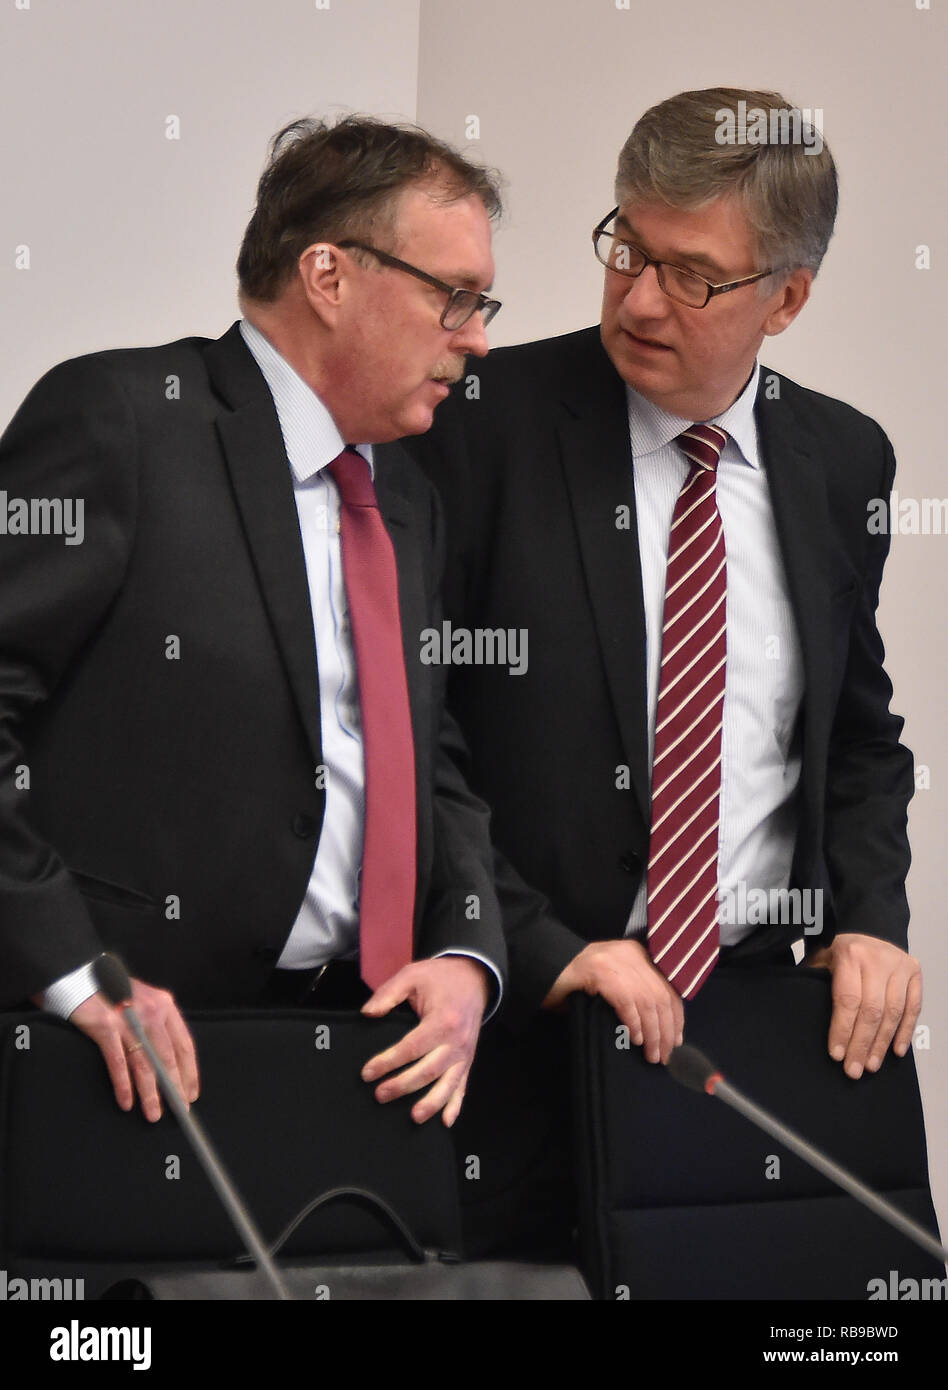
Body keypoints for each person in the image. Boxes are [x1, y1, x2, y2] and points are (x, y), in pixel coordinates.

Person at [407, 87, 922, 1252]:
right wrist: (538, 947)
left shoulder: (843, 457)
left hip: (748, 1027)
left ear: (786, 298)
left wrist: (874, 916)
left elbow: (855, 737)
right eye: (626, 247)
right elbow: (414, 724)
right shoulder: (477, 420)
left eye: (692, 274)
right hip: (524, 1022)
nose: (638, 297)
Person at [0, 115, 508, 1131]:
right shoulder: (125, 422)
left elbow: (425, 754)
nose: (478, 336)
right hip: (117, 1056)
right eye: (454, 296)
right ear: (330, 276)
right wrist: (67, 966)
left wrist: (467, 950)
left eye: (482, 303)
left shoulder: (407, 495)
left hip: (359, 1056)